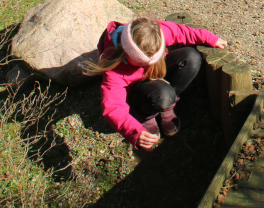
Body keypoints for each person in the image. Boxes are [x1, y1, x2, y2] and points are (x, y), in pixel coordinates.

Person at [84, 14, 227, 151]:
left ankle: (167, 105)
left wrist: (210, 38)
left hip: (156, 77)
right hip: (138, 92)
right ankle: (145, 114)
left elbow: (181, 31)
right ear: (127, 53)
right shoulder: (115, 70)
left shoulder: (152, 32)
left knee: (191, 57)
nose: (148, 63)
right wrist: (134, 131)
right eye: (143, 62)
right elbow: (114, 107)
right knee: (163, 94)